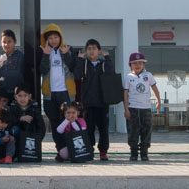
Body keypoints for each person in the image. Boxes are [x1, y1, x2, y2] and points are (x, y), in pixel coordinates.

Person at [72, 39, 114, 160]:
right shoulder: (84, 64)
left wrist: (108, 59)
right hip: (88, 104)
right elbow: (77, 75)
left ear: (99, 51)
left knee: (103, 129)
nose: (91, 51)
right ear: (86, 51)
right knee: (88, 128)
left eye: (94, 48)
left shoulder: (104, 64)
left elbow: (110, 74)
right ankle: (89, 149)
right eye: (89, 49)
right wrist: (79, 59)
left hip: (103, 103)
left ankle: (103, 151)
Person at [37, 23, 75, 155]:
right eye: (50, 38)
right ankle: (60, 150)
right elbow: (42, 70)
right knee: (54, 123)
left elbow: (73, 68)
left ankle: (71, 149)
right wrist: (46, 55)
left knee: (68, 121)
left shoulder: (67, 50)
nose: (53, 40)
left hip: (66, 93)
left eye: (56, 37)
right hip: (50, 94)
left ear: (60, 37)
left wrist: (66, 55)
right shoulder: (43, 52)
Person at [123, 51, 161, 162]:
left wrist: (158, 101)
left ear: (143, 64)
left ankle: (144, 152)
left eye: (140, 63)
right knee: (133, 131)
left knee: (146, 130)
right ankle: (133, 152)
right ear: (130, 65)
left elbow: (154, 88)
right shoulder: (128, 78)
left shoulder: (148, 75)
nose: (137, 65)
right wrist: (126, 109)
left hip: (146, 108)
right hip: (133, 108)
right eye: (134, 63)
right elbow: (125, 94)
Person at [0, 29, 28, 96]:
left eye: (9, 42)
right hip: (0, 96)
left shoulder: (21, 57)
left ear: (15, 41)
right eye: (4, 42)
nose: (6, 44)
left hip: (15, 95)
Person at [8, 84, 46, 161]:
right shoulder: (12, 108)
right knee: (14, 129)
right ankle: (15, 153)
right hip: (18, 135)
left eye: (25, 96)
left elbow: (41, 125)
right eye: (20, 96)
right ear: (15, 97)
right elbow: (9, 123)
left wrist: (38, 139)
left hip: (31, 135)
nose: (22, 99)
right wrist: (20, 119)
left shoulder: (34, 108)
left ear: (29, 96)